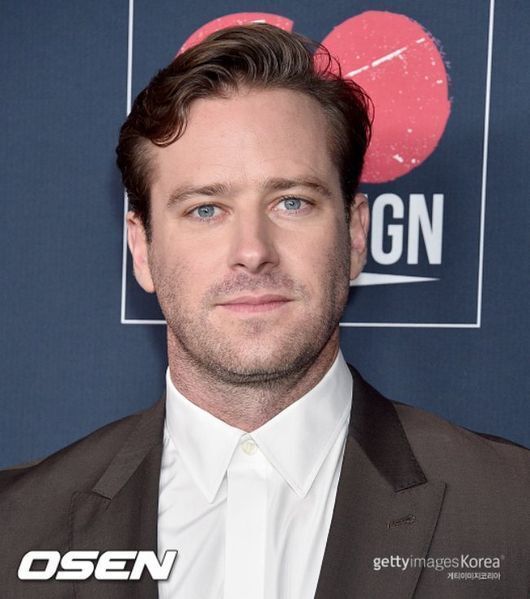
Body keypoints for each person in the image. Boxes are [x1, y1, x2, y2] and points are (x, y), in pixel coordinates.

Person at [1, 23, 528, 599]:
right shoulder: (15, 528)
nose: (252, 251)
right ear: (142, 249)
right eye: (206, 209)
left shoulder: (513, 511)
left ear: (355, 236)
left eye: (292, 202)